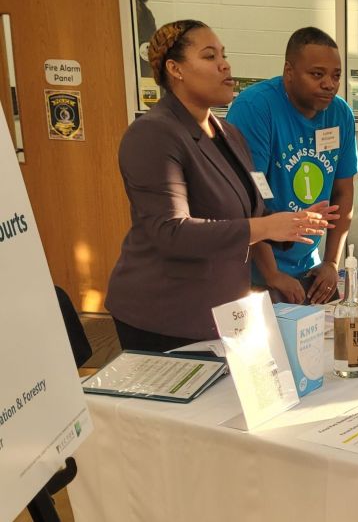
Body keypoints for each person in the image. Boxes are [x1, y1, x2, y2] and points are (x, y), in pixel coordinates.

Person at [106, 20, 337, 352]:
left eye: (224, 55)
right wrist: (265, 227)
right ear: (175, 69)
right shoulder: (153, 134)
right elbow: (170, 231)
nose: (224, 65)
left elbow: (253, 209)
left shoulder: (229, 134)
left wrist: (291, 225)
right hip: (165, 315)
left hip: (223, 311)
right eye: (209, 56)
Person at [227, 27, 357, 306]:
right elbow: (251, 196)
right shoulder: (255, 107)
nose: (329, 84)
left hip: (306, 264)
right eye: (317, 74)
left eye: (336, 76)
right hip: (252, 270)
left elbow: (343, 192)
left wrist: (331, 262)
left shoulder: (340, 114)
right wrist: (272, 273)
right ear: (289, 71)